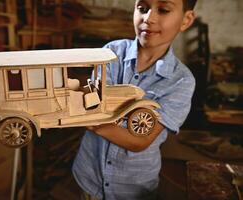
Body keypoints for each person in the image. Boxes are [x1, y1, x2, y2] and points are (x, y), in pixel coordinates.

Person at [73, 0, 197, 199]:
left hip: (133, 189)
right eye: (142, 8)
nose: (148, 18)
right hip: (89, 176)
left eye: (163, 10)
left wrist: (88, 120)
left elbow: (139, 141)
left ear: (186, 20)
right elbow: (95, 101)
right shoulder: (111, 53)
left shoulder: (181, 81)